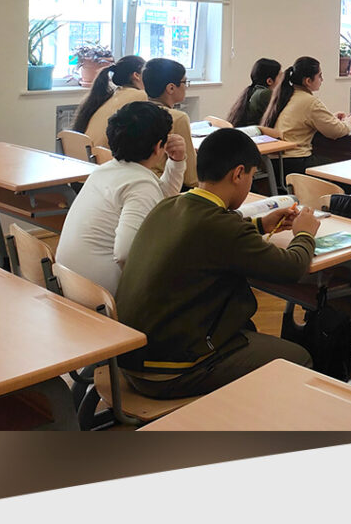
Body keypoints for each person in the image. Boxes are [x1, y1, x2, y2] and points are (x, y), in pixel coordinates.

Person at [116, 128, 320, 398]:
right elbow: (291, 268)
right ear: (238, 174)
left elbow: (213, 235)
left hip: (132, 358)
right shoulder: (222, 227)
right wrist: (305, 234)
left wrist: (261, 223)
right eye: (251, 176)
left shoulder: (170, 205)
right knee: (298, 359)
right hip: (171, 371)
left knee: (247, 333)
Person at [56, 101, 186, 294]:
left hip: (69, 282)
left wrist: (176, 162)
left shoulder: (104, 171)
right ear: (159, 146)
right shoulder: (140, 184)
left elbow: (162, 199)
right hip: (101, 292)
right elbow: (125, 253)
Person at [264, 56, 351, 178]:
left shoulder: (285, 95)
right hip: (295, 162)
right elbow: (336, 131)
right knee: (343, 172)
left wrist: (331, 118)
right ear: (308, 81)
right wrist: (348, 121)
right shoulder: (310, 101)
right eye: (320, 76)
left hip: (276, 164)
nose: (322, 79)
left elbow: (302, 120)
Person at [142, 57, 198, 187]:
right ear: (171, 88)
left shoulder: (135, 111)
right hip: (164, 187)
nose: (186, 87)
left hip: (142, 182)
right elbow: (191, 178)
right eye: (185, 82)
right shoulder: (178, 118)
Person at [72, 55, 147, 147]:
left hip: (86, 153)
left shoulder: (112, 95)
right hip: (103, 155)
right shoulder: (141, 96)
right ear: (136, 75)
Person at [226, 57, 281, 127]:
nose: (283, 79)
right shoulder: (264, 94)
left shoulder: (254, 91)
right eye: (280, 76)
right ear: (269, 81)